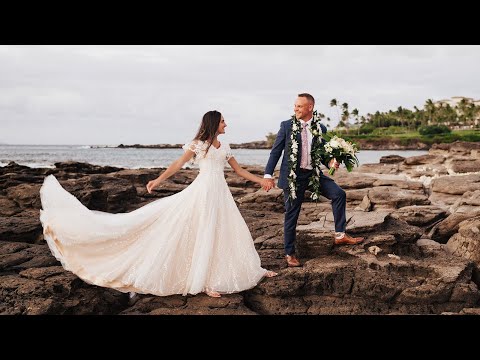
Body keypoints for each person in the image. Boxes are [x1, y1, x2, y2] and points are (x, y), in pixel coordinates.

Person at [39, 110, 277, 300]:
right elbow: (177, 165)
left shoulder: (224, 147)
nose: (227, 124)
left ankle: (243, 271)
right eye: (224, 121)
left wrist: (263, 180)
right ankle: (204, 281)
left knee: (224, 232)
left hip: (220, 194)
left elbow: (239, 171)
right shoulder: (197, 144)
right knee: (200, 231)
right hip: (202, 192)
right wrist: (158, 179)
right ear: (214, 123)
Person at [261, 93, 364, 267]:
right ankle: (289, 253)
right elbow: (276, 152)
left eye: (299, 106)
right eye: (295, 106)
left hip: (313, 175)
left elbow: (322, 154)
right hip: (292, 177)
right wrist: (267, 175)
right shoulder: (286, 126)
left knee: (338, 194)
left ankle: (340, 235)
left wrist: (330, 161)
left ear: (310, 107)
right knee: (291, 216)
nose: (295, 109)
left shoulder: (320, 128)